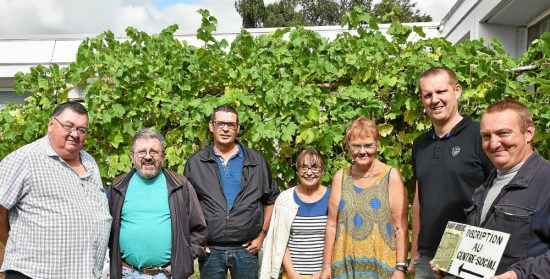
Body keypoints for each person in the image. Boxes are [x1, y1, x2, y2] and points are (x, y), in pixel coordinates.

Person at [0, 101, 112, 279]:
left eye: (82, 130)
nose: (75, 134)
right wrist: (15, 244)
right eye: (69, 126)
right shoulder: (26, 158)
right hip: (34, 274)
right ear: (51, 124)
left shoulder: (89, 161)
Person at [410, 67, 494, 278]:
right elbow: (420, 198)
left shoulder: (480, 135)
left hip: (469, 252)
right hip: (427, 256)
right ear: (422, 99)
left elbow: (499, 195)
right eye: (427, 95)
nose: (434, 100)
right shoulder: (420, 144)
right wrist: (415, 252)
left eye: (441, 92)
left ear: (457, 90)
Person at [184, 104, 280, 279]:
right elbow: (186, 205)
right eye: (221, 124)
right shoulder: (196, 163)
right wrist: (196, 241)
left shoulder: (256, 162)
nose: (226, 129)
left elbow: (271, 200)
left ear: (237, 128)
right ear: (211, 126)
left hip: (246, 250)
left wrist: (262, 236)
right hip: (210, 251)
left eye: (231, 125)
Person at [465, 99, 550, 278]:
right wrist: (454, 264)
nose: (494, 144)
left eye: (503, 133)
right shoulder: (486, 185)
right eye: (486, 136)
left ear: (528, 133)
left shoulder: (546, 181)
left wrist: (517, 275)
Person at [108, 128, 207, 279]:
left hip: (167, 274)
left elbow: (198, 229)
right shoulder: (117, 187)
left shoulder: (180, 185)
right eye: (141, 152)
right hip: (127, 273)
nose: (148, 157)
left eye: (154, 152)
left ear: (163, 156)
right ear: (132, 156)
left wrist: (183, 259)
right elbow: (107, 230)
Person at [320, 117, 409, 279]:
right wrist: (326, 266)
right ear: (348, 147)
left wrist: (400, 268)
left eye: (368, 145)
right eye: (356, 146)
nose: (362, 151)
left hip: (382, 268)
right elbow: (332, 225)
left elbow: (400, 227)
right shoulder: (341, 177)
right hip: (345, 268)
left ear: (377, 144)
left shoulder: (391, 176)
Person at [260, 149, 330, 279]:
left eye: (315, 168)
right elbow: (280, 240)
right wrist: (293, 274)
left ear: (322, 170)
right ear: (297, 170)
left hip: (324, 275)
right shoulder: (285, 199)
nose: (309, 173)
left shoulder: (332, 198)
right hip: (292, 274)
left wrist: (323, 271)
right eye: (304, 167)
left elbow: (337, 239)